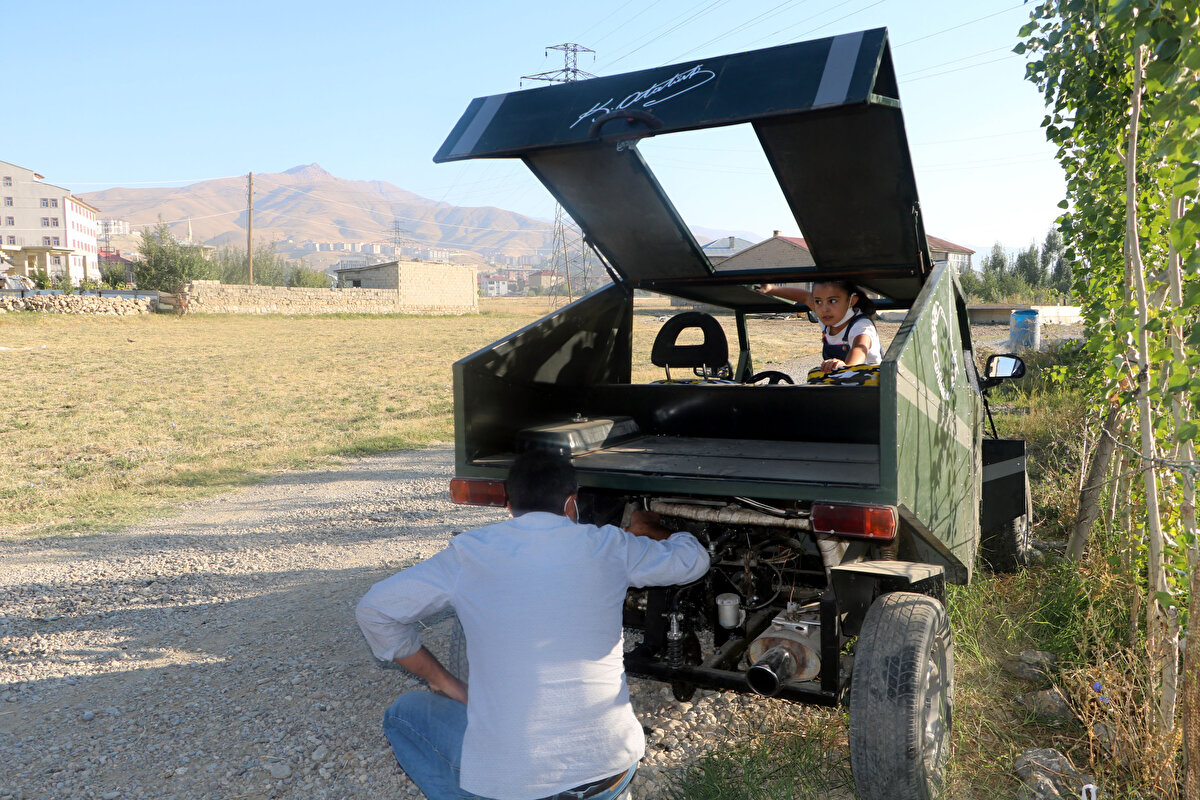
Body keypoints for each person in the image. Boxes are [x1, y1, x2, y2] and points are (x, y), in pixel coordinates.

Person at [356, 450, 710, 800]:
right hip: (612, 772)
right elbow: (693, 561)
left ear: (510, 505)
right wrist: (650, 530)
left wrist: (445, 682)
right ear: (572, 503)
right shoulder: (608, 545)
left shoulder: (469, 554)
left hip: (516, 787)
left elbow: (374, 611)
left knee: (402, 714)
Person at [756, 279, 881, 372]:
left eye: (832, 301)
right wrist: (771, 289)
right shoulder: (830, 318)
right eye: (818, 301)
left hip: (871, 388)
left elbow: (859, 349)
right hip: (841, 386)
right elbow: (805, 297)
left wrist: (845, 367)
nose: (824, 309)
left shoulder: (862, 327)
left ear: (851, 301)